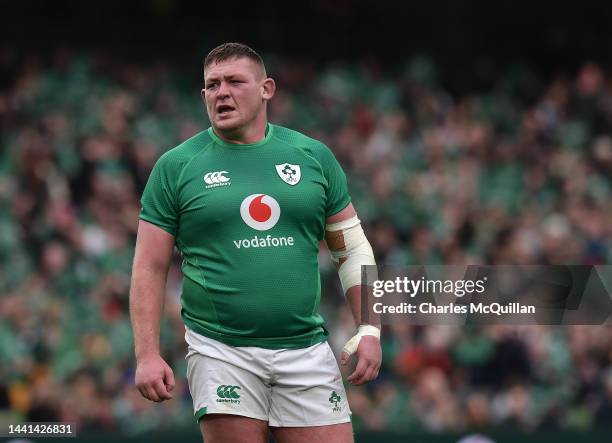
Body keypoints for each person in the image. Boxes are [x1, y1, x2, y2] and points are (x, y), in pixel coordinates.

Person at [129, 42, 381, 443]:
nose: (221, 92)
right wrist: (147, 354)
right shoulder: (176, 166)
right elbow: (148, 266)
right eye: (212, 85)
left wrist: (369, 327)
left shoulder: (312, 156)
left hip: (306, 349)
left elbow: (351, 249)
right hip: (221, 350)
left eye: (234, 82)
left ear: (267, 89)